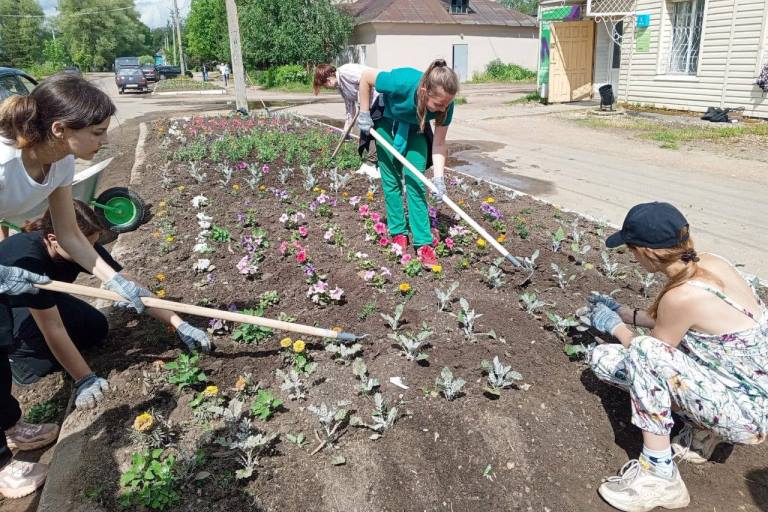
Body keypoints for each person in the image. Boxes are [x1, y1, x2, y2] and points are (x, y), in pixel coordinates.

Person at [0, 73, 147, 499]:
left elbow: (68, 234)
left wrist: (113, 278)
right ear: (61, 129)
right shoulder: (4, 163)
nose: (102, 141)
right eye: (97, 132)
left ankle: (10, 427)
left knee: (2, 342)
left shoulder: (62, 161)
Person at [585, 202, 767, 512]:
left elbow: (650, 359)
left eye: (631, 249)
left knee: (619, 356)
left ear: (647, 252)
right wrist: (624, 313)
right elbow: (685, 321)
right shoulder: (711, 263)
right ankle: (703, 432)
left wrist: (616, 328)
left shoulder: (680, 296)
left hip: (745, 417)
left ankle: (659, 474)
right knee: (647, 353)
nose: (631, 256)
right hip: (749, 392)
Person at [2, 201, 211, 387]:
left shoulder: (79, 245)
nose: (90, 250)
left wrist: (178, 323)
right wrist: (85, 378)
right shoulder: (28, 260)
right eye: (86, 245)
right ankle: (19, 364)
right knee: (44, 357)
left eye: (92, 244)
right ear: (53, 239)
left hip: (48, 298)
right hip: (9, 309)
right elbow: (52, 326)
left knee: (96, 328)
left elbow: (130, 285)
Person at [357, 59, 459, 268]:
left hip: (417, 128)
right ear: (424, 90)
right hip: (387, 122)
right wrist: (365, 114)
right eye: (439, 104)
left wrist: (439, 178)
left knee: (416, 181)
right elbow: (366, 77)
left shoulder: (446, 106)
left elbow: (439, 143)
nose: (443, 109)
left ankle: (423, 243)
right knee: (391, 180)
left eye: (447, 104)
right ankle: (398, 232)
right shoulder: (401, 81)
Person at [313, 63, 379, 178]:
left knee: (374, 130)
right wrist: (346, 131)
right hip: (367, 106)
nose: (326, 87)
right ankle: (371, 164)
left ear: (328, 79)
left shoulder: (347, 71)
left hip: (379, 97)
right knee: (365, 133)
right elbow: (350, 109)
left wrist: (366, 108)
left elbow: (369, 82)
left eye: (324, 85)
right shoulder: (341, 87)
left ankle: (372, 165)